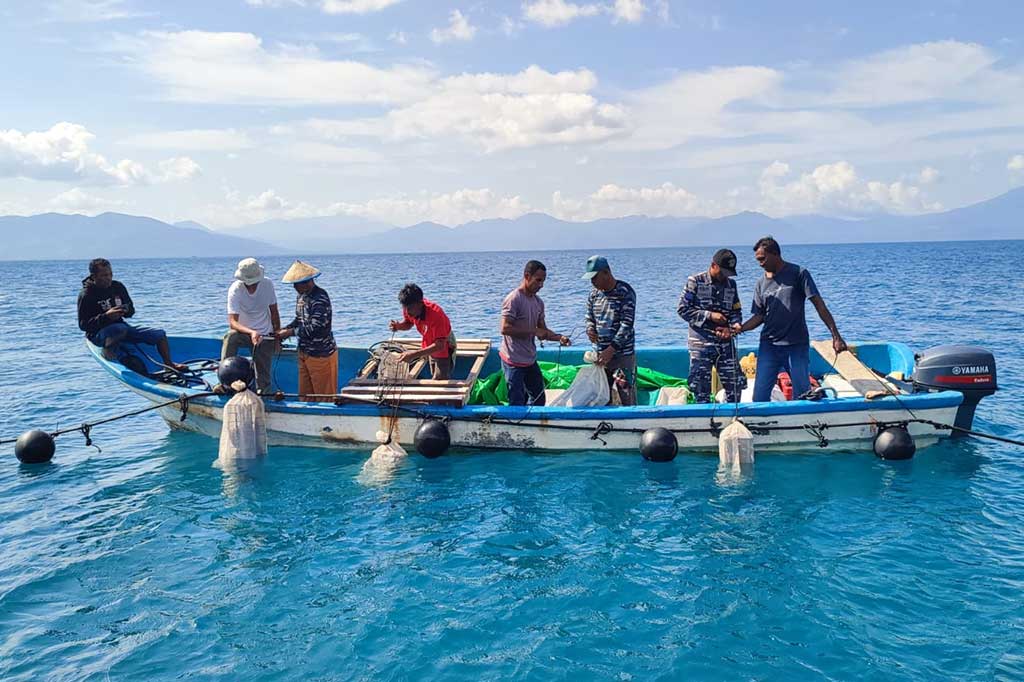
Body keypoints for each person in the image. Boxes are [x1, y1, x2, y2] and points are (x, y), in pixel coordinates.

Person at [728, 236, 847, 402]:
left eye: (762, 258)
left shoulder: (799, 274)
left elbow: (819, 305)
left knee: (803, 396)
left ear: (775, 254)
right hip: (769, 346)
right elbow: (759, 316)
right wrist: (740, 328)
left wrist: (836, 336)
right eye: (757, 260)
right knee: (760, 398)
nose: (760, 263)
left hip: (796, 345)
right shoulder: (761, 283)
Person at [77, 258, 187, 371]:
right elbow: (83, 325)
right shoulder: (86, 294)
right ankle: (108, 348)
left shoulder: (117, 287)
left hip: (122, 328)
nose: (108, 278)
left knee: (160, 334)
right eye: (104, 275)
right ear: (94, 277)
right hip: (99, 334)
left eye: (110, 274)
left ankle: (169, 365)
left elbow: (131, 311)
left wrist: (125, 310)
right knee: (118, 328)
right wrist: (106, 316)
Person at [499, 260, 572, 406]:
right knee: (517, 401)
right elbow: (505, 328)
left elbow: (542, 331)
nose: (541, 285)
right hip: (513, 360)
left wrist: (559, 338)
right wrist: (533, 331)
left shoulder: (538, 303)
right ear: (527, 276)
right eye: (538, 280)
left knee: (539, 398)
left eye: (543, 281)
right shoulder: (514, 299)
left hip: (530, 360)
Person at [678, 249, 746, 403]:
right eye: (722, 272)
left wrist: (735, 326)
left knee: (735, 385)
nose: (725, 276)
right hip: (701, 344)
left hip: (726, 343)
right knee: (701, 388)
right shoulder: (695, 281)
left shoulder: (731, 285)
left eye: (728, 273)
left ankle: (733, 420)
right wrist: (709, 315)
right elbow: (682, 309)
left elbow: (736, 311)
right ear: (713, 265)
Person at [275, 260, 337, 401]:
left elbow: (317, 327)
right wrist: (285, 329)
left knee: (324, 397)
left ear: (307, 282)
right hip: (304, 352)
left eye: (297, 284)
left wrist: (291, 333)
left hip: (321, 353)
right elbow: (299, 319)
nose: (295, 287)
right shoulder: (301, 297)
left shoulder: (320, 297)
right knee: (305, 396)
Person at [583, 255, 637, 406]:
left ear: (606, 272)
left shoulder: (625, 292)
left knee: (626, 396)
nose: (592, 282)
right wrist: (590, 328)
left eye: (595, 278)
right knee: (601, 396)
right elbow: (589, 317)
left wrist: (612, 349)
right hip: (600, 356)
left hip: (622, 356)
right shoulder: (593, 295)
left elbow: (627, 324)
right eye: (590, 279)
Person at [222, 257, 280, 393]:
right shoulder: (235, 290)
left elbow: (274, 312)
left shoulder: (268, 284)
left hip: (265, 335)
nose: (252, 285)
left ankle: (263, 393)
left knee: (263, 379)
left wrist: (277, 337)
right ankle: (224, 380)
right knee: (230, 337)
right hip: (244, 332)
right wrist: (251, 332)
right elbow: (232, 322)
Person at [388, 283, 456, 380]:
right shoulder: (408, 308)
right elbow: (408, 324)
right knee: (433, 371)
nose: (407, 312)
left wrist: (413, 355)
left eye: (409, 308)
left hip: (444, 344)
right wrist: (398, 326)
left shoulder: (436, 315)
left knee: (440, 378)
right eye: (404, 308)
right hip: (429, 341)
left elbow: (440, 345)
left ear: (420, 304)